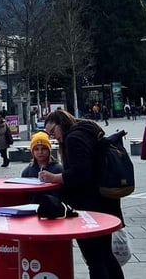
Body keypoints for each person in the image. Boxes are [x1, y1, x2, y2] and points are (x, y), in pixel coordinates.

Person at [39, 110, 124, 279]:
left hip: (90, 205)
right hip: (105, 201)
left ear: (60, 124)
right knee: (106, 255)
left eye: (52, 132)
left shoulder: (74, 138)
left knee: (94, 259)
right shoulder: (87, 130)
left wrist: (54, 177)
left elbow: (81, 173)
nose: (53, 137)